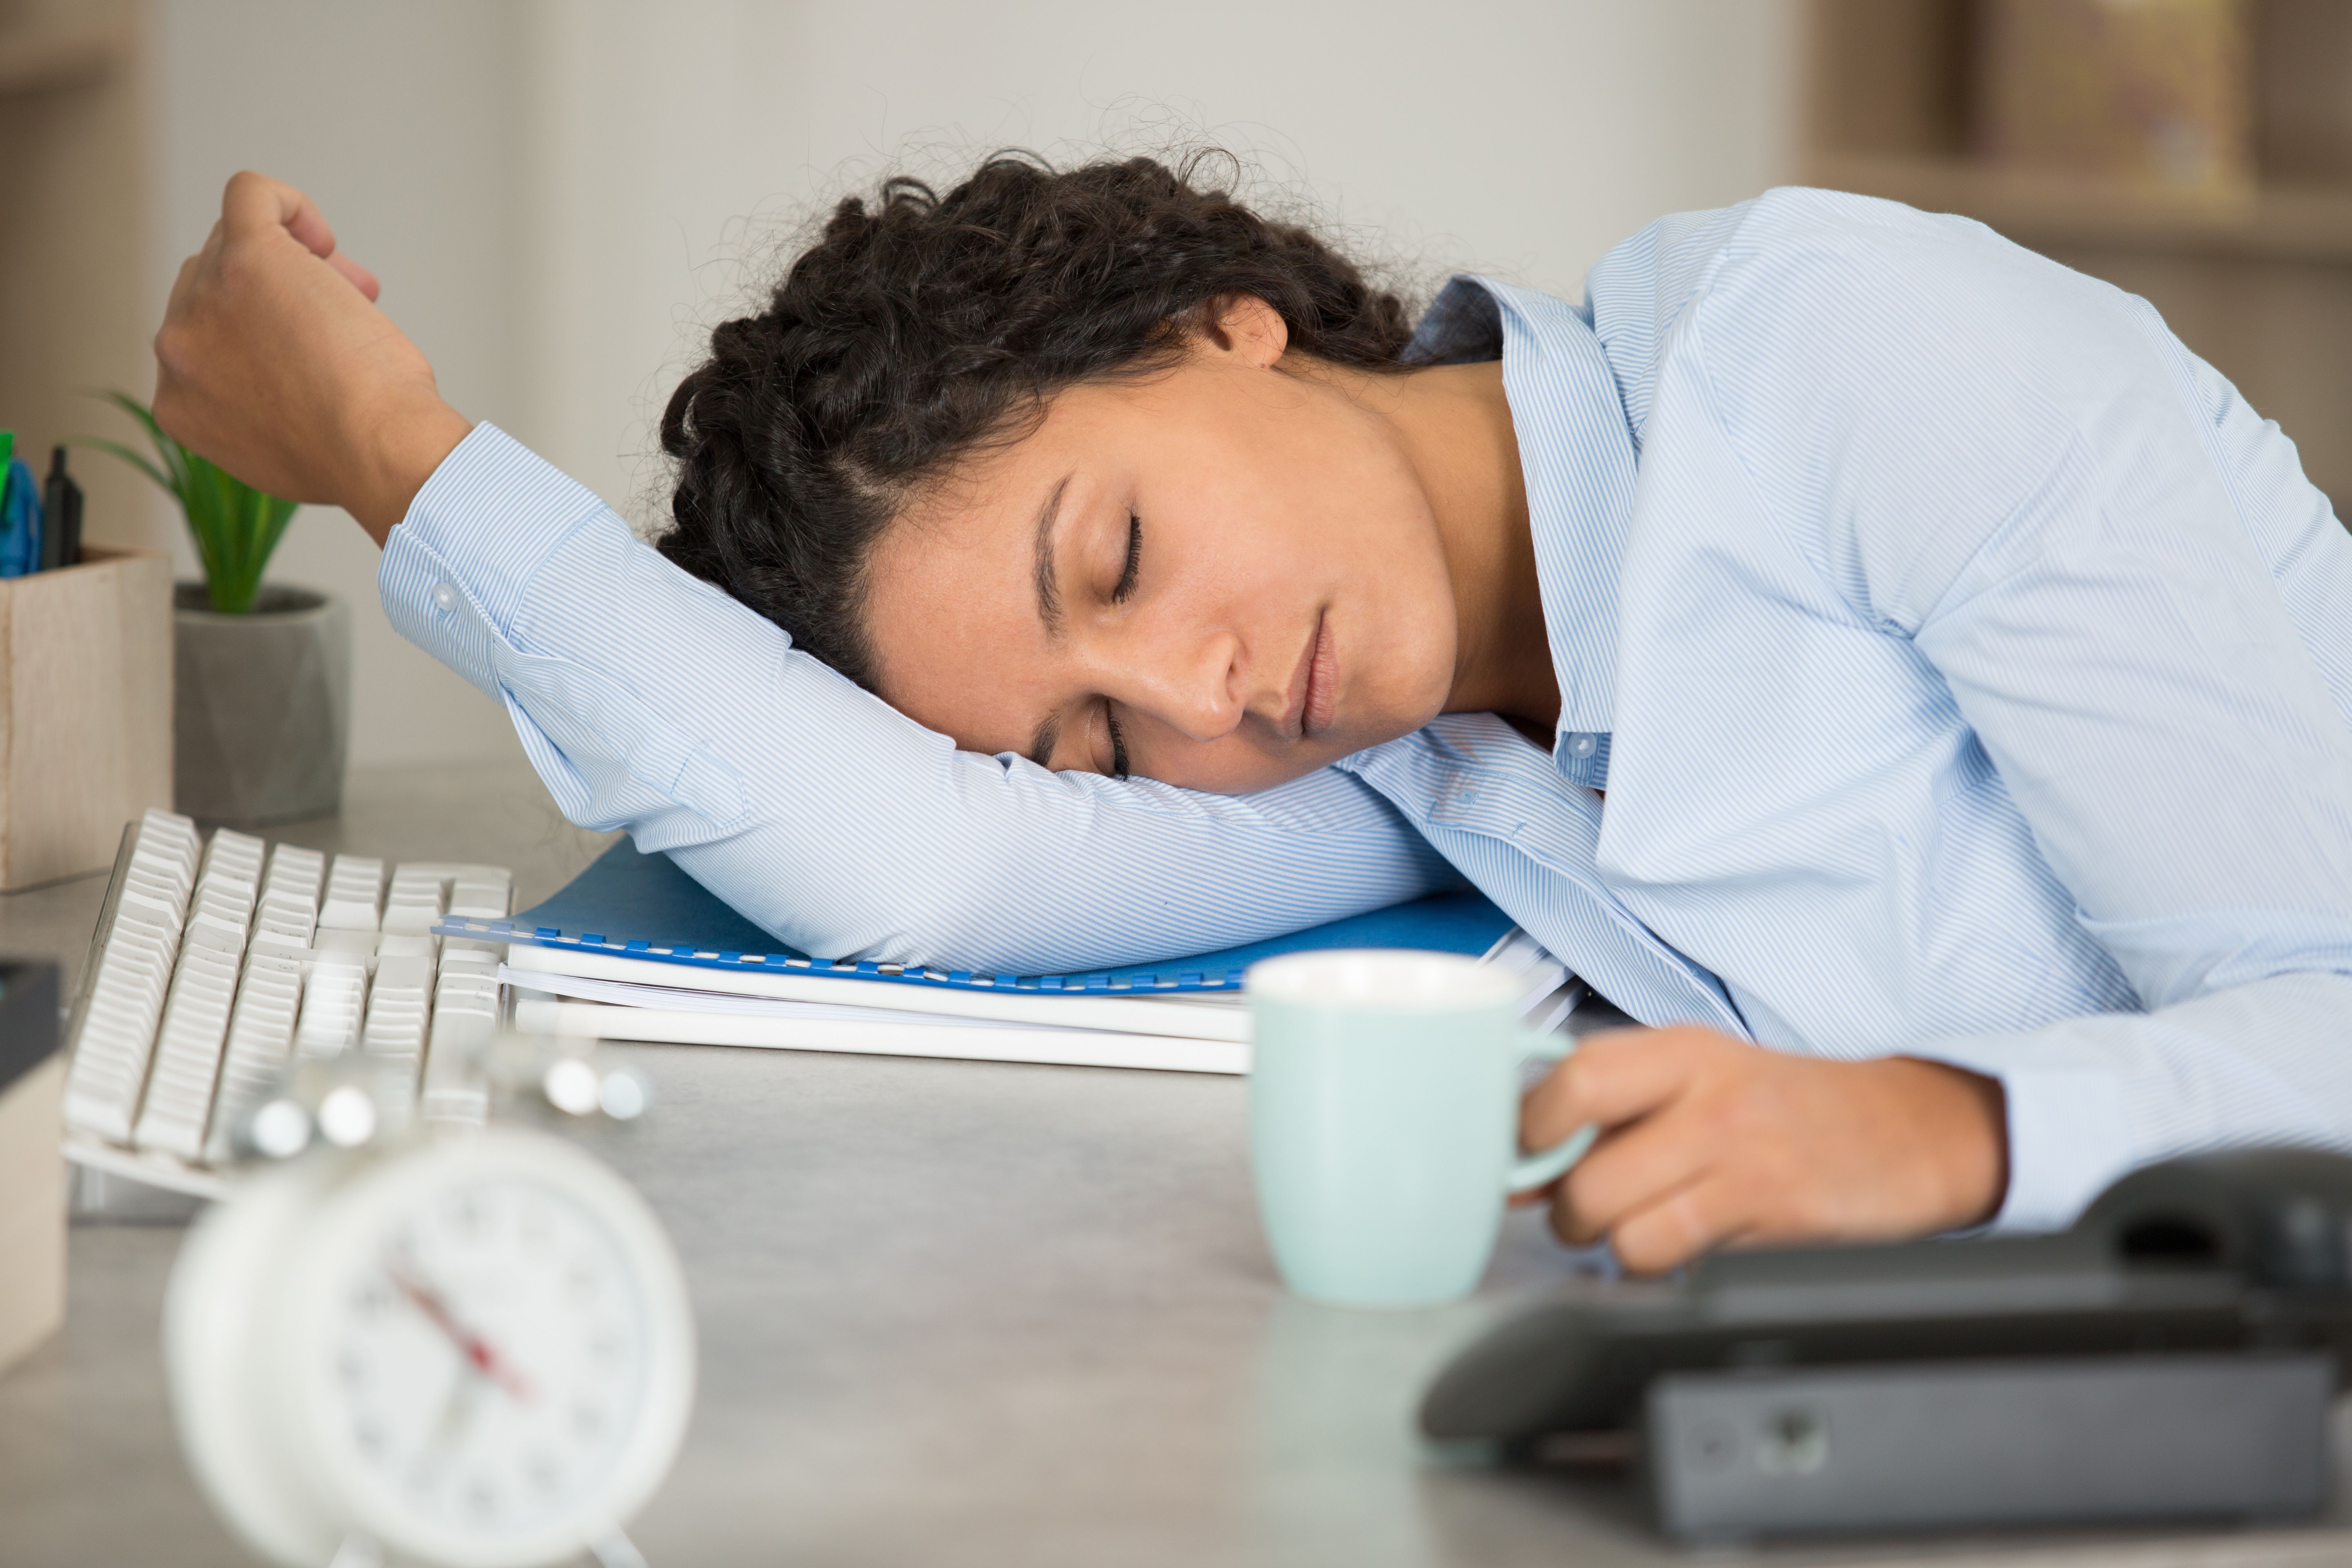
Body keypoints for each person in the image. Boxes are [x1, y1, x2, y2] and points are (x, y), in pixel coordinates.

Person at [152, 156, 2352, 1274]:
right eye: (1101, 742)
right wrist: (397, 454)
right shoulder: (1423, 754)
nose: (1193, 702)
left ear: (1229, 323)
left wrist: (1935, 1127)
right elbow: (926, 858)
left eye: (1110, 563)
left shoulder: (1837, 361)